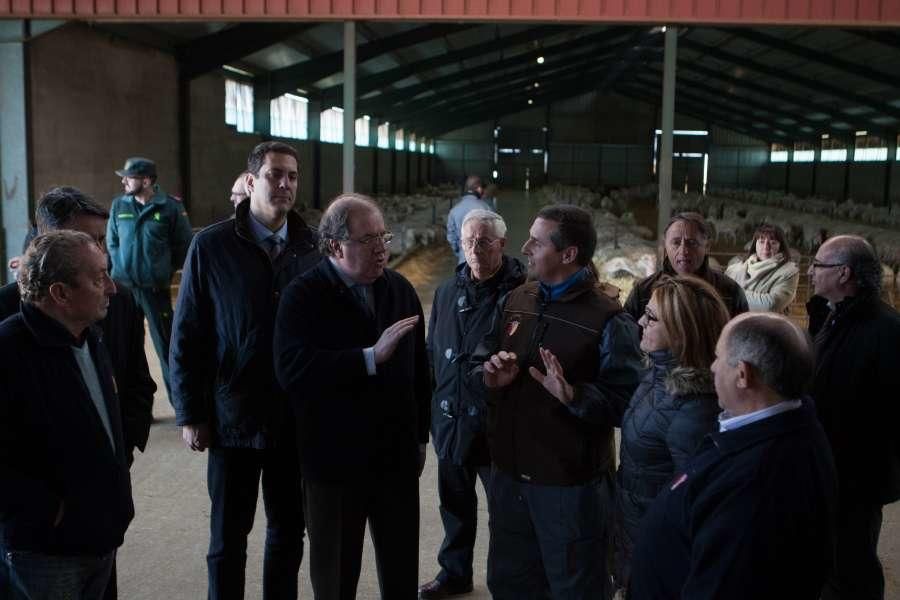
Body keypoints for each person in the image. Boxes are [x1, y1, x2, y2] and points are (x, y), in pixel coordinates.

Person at [170, 142, 319, 600]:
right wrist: (190, 412)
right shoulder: (211, 246)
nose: (286, 184)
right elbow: (188, 333)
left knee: (288, 532)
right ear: (251, 181)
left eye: (293, 176)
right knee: (227, 537)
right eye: (276, 174)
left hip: (292, 418)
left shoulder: (311, 247)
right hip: (232, 415)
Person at [481, 204, 643, 599]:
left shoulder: (608, 319)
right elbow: (479, 356)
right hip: (510, 478)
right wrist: (488, 374)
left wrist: (576, 396)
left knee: (575, 586)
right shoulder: (517, 299)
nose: (525, 246)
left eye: (536, 241)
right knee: (511, 584)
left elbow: (628, 402)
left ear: (568, 254)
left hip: (569, 489)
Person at [274, 193, 430, 600]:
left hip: (394, 457)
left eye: (384, 236)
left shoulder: (399, 290)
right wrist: (368, 359)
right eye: (368, 239)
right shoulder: (303, 296)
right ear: (334, 246)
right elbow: (292, 370)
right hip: (334, 463)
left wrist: (420, 437)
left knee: (400, 566)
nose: (381, 248)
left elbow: (419, 373)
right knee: (336, 571)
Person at [629, 312, 838, 600]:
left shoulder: (755, 485)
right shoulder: (788, 425)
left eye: (718, 357)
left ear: (743, 374)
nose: (712, 367)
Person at [0, 231, 134, 600]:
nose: (111, 287)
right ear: (59, 293)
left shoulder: (89, 337)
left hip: (101, 536)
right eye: (98, 278)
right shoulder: (8, 351)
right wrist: (49, 512)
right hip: (46, 552)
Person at [419, 209, 526, 599]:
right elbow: (433, 352)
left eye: (484, 241)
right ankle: (455, 572)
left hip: (495, 425)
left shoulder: (521, 295)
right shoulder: (448, 292)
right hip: (451, 420)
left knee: (506, 512)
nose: (475, 249)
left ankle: (507, 580)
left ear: (502, 242)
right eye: (468, 242)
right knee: (455, 505)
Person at [613, 274, 730, 592]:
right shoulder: (658, 374)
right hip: (636, 537)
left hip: (661, 555)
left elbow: (698, 509)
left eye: (651, 316)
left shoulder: (695, 408)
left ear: (682, 330)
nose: (639, 320)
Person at [807, 235, 900, 600]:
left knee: (853, 563)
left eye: (818, 265)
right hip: (829, 464)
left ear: (843, 273)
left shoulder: (886, 330)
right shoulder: (830, 316)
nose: (811, 271)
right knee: (828, 560)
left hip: (857, 476)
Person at [107, 156, 193, 401]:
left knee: (168, 348)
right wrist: (117, 273)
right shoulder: (119, 206)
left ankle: (181, 406)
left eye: (129, 177)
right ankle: (132, 407)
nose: (123, 181)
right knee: (125, 349)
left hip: (154, 290)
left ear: (146, 180)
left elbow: (183, 246)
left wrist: (163, 272)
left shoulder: (170, 208)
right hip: (122, 289)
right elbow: (111, 242)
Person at [624, 212, 748, 321]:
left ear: (707, 246)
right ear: (665, 246)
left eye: (692, 243)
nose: (683, 250)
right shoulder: (642, 293)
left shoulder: (730, 293)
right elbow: (628, 340)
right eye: (676, 242)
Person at [725, 222, 799, 313]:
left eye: (773, 243)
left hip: (766, 326)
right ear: (755, 244)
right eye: (761, 241)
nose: (766, 247)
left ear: (781, 246)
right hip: (734, 323)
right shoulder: (735, 268)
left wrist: (735, 292)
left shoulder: (788, 272)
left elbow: (770, 305)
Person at [446, 175, 491, 264]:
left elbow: (451, 237)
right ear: (478, 188)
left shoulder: (454, 210)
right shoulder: (486, 208)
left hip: (463, 259)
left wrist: (460, 252)